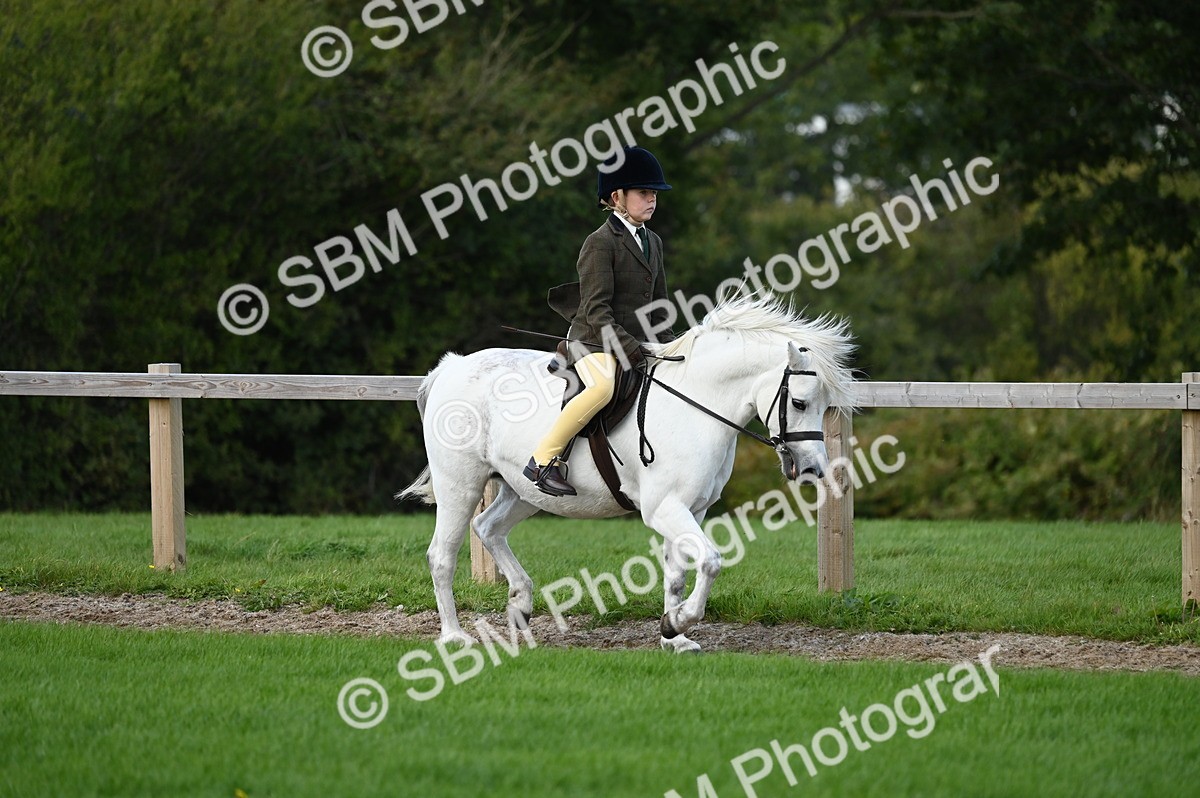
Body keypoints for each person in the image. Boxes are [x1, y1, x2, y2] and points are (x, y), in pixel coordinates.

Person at [524, 145, 677, 497]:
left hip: (635, 343)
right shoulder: (600, 243)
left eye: (654, 193)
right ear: (617, 197)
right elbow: (596, 310)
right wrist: (631, 349)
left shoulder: (652, 241)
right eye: (644, 193)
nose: (652, 199)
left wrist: (669, 346)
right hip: (593, 341)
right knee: (602, 387)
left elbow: (659, 305)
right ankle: (543, 460)